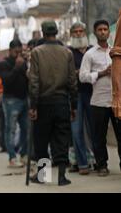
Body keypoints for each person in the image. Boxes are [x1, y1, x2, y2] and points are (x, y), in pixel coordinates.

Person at [29, 21, 77, 186]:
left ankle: (43, 176)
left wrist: (33, 106)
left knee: (42, 140)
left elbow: (34, 82)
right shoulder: (67, 52)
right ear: (56, 32)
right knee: (62, 138)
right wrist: (74, 105)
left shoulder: (36, 52)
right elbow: (72, 81)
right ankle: (62, 177)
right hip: (62, 102)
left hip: (43, 102)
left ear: (43, 33)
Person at [80, 20, 121, 177]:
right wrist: (101, 73)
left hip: (116, 101)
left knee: (120, 135)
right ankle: (102, 165)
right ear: (95, 32)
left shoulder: (116, 52)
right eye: (100, 29)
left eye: (105, 29)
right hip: (98, 101)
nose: (103, 31)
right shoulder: (89, 54)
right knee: (99, 136)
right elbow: (83, 76)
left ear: (109, 33)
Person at [68, 22, 95, 175]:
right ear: (71, 34)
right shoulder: (67, 52)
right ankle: (82, 163)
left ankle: (97, 161)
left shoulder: (93, 50)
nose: (78, 34)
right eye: (75, 31)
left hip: (92, 93)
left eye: (81, 31)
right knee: (76, 130)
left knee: (94, 129)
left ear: (85, 32)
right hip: (74, 94)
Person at [0, 39, 29, 168]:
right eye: (16, 52)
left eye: (20, 52)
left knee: (26, 129)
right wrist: (17, 66)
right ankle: (12, 157)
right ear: (10, 51)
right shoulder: (3, 64)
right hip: (11, 100)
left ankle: (24, 155)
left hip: (24, 99)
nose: (18, 54)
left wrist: (27, 63)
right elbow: (7, 80)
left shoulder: (23, 63)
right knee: (10, 129)